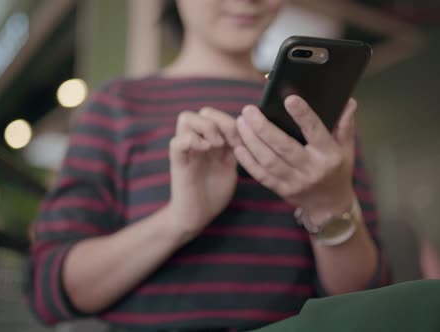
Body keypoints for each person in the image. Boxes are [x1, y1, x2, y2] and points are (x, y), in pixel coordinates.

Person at [26, 0, 390, 331]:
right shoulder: (118, 104)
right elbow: (49, 288)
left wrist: (327, 203)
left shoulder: (315, 112)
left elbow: (369, 295)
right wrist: (178, 221)